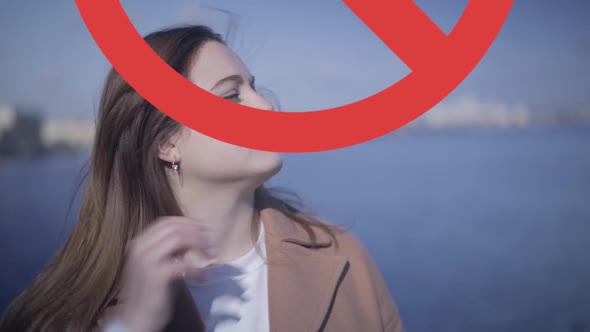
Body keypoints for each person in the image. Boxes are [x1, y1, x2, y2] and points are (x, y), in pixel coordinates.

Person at [0, 25, 405, 332]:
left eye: (254, 88)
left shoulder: (345, 258)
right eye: (231, 97)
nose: (265, 106)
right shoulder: (65, 312)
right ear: (166, 143)